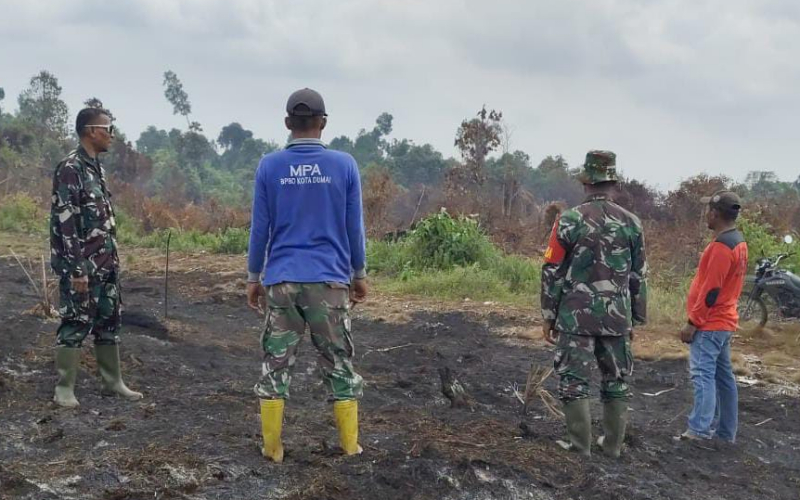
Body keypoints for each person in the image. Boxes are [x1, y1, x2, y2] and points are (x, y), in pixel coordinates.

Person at [246, 88, 367, 462]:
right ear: (324, 123)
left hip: (281, 282)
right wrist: (359, 273)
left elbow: (259, 228)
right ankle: (350, 447)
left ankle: (273, 449)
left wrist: (254, 277)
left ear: (287, 124)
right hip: (330, 283)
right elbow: (354, 227)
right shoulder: (344, 165)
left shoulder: (269, 166)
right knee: (339, 363)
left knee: (275, 365)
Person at [541, 150, 647, 458]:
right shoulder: (632, 223)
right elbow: (638, 275)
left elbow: (552, 271)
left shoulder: (569, 220)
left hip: (575, 318)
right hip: (617, 318)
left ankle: (579, 445)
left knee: (574, 381)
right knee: (616, 380)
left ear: (586, 183)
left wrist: (548, 315)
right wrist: (635, 319)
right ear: (613, 183)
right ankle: (612, 446)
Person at [50, 107, 143, 408]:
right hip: (82, 267)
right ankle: (64, 388)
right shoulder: (70, 168)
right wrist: (77, 270)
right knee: (75, 322)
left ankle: (112, 382)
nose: (112, 134)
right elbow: (66, 223)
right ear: (91, 131)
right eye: (108, 128)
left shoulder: (96, 169)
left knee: (109, 321)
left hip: (106, 264)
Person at [677, 191, 747, 443]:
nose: (706, 214)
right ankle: (726, 433)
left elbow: (711, 291)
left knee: (702, 375)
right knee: (724, 377)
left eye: (709, 210)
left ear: (715, 214)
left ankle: (698, 430)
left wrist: (693, 322)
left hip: (711, 324)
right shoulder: (738, 241)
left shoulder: (720, 248)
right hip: (725, 321)